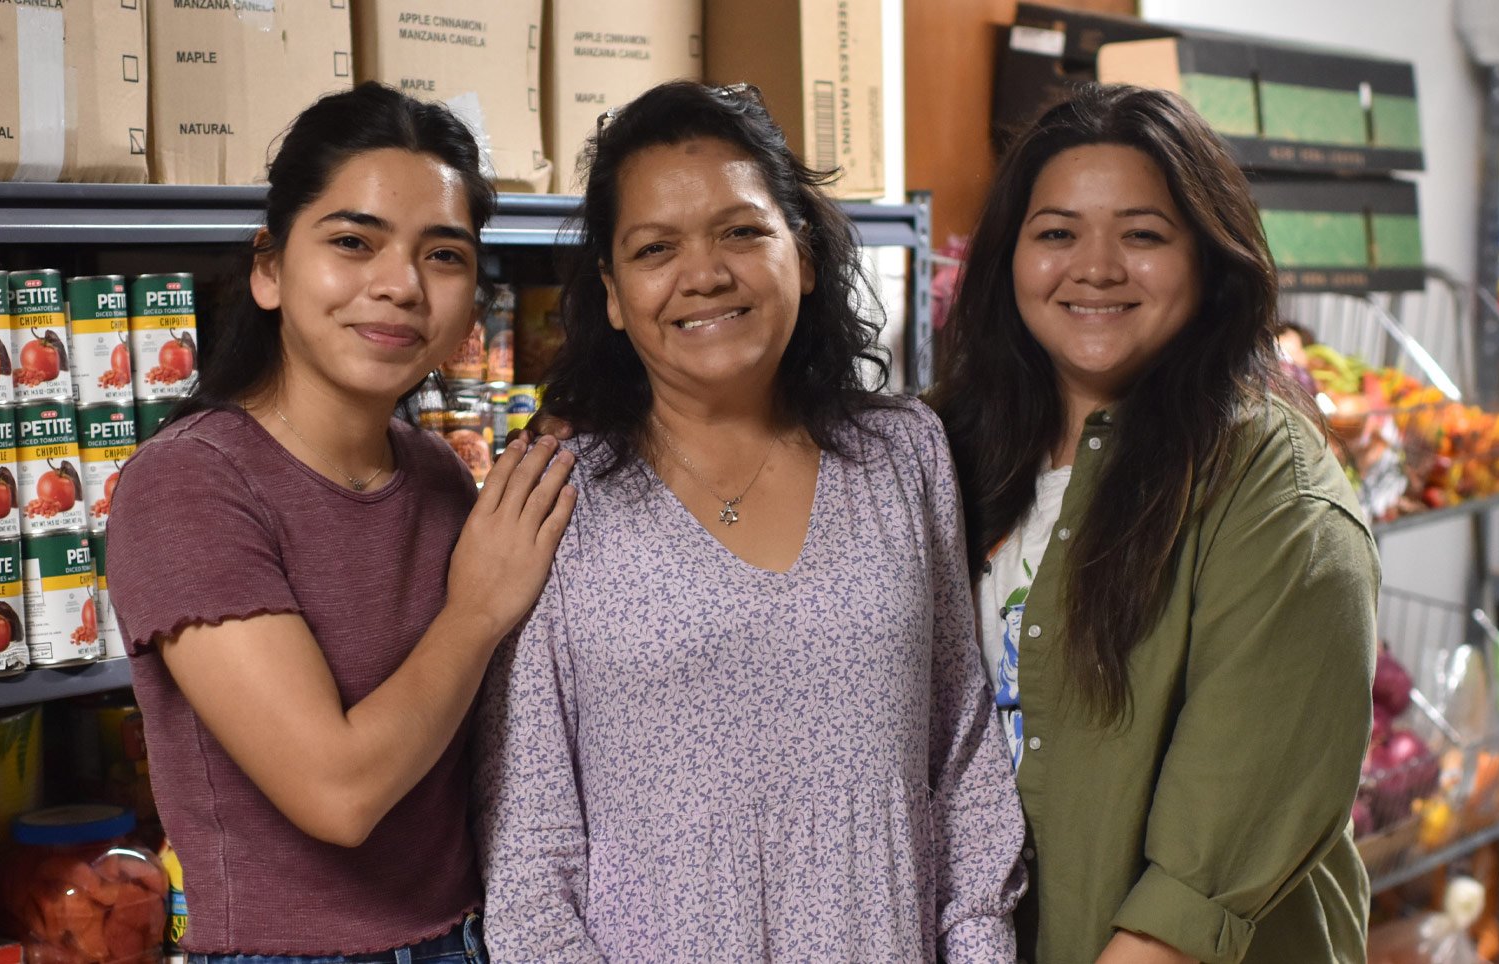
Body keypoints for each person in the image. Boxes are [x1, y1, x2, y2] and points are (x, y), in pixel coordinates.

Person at [471, 81, 1026, 961]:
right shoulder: (556, 496)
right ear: (612, 292)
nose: (704, 274)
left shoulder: (904, 454)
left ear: (801, 254)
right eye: (656, 248)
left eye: (740, 231)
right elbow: (531, 857)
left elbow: (962, 767)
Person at [106, 83, 576, 962]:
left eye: (444, 254)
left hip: (470, 936)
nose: (400, 285)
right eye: (354, 242)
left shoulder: (435, 473)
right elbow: (338, 793)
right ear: (269, 269)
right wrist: (478, 609)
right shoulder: (188, 484)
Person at [928, 84, 1379, 964]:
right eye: (1056, 234)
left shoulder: (1276, 496)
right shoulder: (945, 448)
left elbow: (1191, 901)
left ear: (1209, 259)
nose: (1096, 267)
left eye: (1143, 235)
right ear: (1009, 259)